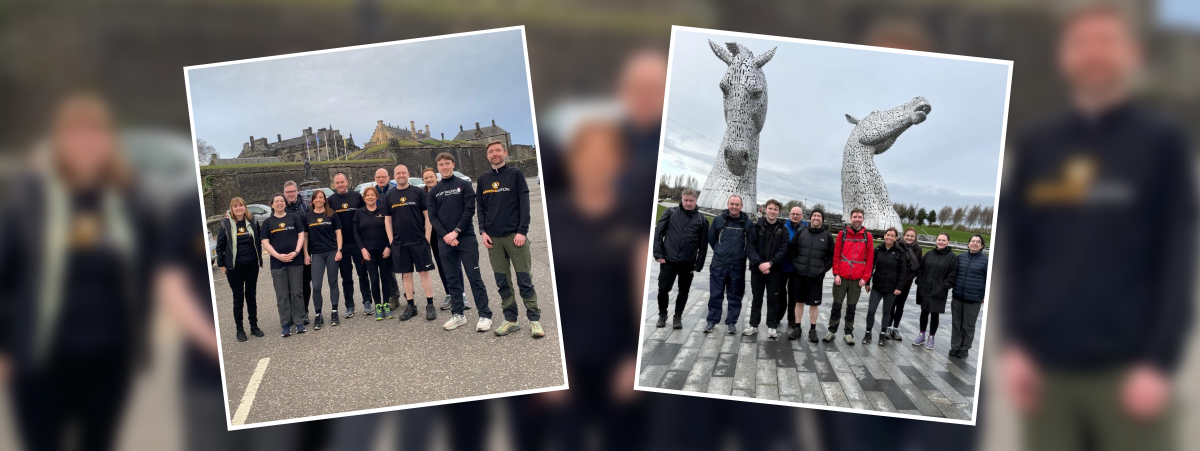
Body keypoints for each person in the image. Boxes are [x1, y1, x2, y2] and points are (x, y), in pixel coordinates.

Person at [1003, 7, 1195, 451]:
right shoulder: (1038, 144)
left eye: (1107, 42)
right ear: (1064, 57)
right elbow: (1019, 254)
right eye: (1082, 43)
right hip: (1047, 377)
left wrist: (1158, 362)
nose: (1094, 55)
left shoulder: (1162, 144)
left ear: (1134, 54)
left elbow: (1177, 257)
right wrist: (1015, 347)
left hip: (1127, 376)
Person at [0, 93, 153, 451]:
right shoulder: (29, 197)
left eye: (95, 132)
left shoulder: (128, 202)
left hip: (108, 361)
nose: (85, 142)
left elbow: (142, 275)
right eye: (75, 133)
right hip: (39, 361)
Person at [478, 141, 542, 338]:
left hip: (515, 236)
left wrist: (522, 231)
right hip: (494, 240)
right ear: (487, 156)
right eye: (491, 152)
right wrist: (483, 231)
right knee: (502, 281)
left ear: (505, 153)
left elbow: (524, 206)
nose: (494, 154)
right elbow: (480, 208)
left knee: (524, 279)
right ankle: (511, 320)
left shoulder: (515, 175)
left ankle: (534, 320)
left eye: (498, 150)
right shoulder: (483, 179)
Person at [428, 152, 494, 332]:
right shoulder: (434, 191)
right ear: (438, 168)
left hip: (465, 238)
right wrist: (446, 236)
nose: (444, 167)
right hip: (445, 241)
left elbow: (469, 210)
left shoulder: (464, 185)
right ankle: (458, 315)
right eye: (441, 164)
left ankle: (485, 315)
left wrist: (456, 232)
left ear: (453, 165)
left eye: (447, 163)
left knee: (474, 277)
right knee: (452, 279)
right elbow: (432, 217)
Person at [383, 164, 438, 322]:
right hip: (400, 242)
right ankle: (411, 306)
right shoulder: (390, 196)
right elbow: (387, 220)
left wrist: (427, 237)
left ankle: (429, 304)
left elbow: (427, 216)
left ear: (408, 174)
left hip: (419, 240)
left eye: (403, 173)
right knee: (406, 275)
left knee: (424, 273)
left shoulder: (418, 192)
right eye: (398, 173)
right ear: (394, 176)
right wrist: (392, 240)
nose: (401, 175)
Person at [651, 188, 707, 329]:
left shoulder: (701, 219)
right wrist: (658, 254)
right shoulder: (671, 212)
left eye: (691, 201)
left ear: (696, 200)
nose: (688, 203)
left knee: (684, 291)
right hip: (668, 260)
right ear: (682, 199)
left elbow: (703, 244)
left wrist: (699, 264)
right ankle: (662, 314)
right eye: (686, 200)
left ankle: (678, 317)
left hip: (687, 263)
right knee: (663, 289)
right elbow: (659, 232)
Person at [704, 195, 759, 335]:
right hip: (719, 264)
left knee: (735, 295)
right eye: (731, 204)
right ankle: (712, 320)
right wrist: (720, 251)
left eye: (737, 204)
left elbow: (751, 244)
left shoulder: (747, 223)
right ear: (728, 204)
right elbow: (712, 239)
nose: (734, 207)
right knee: (716, 294)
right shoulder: (718, 220)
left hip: (737, 266)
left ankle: (731, 322)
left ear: (741, 206)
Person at [215, 197, 265, 341]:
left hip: (251, 265)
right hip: (234, 268)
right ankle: (240, 329)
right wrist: (221, 264)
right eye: (235, 206)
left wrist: (259, 260)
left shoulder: (253, 221)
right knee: (238, 298)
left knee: (251, 296)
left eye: (241, 205)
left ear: (245, 207)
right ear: (232, 209)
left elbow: (258, 242)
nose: (238, 208)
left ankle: (254, 326)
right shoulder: (226, 224)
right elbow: (220, 245)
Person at [824, 208, 873, 344]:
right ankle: (832, 330)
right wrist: (836, 273)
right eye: (855, 216)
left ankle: (848, 332)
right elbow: (836, 255)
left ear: (863, 219)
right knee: (836, 305)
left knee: (852, 307)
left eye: (859, 217)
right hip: (842, 276)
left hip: (857, 279)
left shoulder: (867, 237)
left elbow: (869, 260)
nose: (857, 219)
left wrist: (865, 277)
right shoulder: (842, 234)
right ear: (850, 218)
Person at [261, 193, 307, 336]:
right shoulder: (268, 222)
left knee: (297, 292)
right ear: (272, 205)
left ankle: (299, 322)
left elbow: (301, 235)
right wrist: (278, 256)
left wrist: (296, 252)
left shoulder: (294, 218)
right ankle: (286, 324)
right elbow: (265, 242)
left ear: (285, 204)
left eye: (282, 201)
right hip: (277, 263)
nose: (280, 203)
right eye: (277, 201)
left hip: (295, 260)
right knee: (282, 295)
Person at [784, 209, 833, 342]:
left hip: (816, 276)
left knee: (814, 304)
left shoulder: (827, 236)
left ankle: (812, 330)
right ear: (810, 218)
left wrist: (822, 269)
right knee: (798, 302)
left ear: (822, 219)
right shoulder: (801, 232)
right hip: (800, 274)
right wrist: (796, 265)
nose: (816, 218)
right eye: (814, 215)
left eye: (819, 216)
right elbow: (791, 251)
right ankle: (797, 327)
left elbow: (831, 256)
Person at [328, 172, 369, 319]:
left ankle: (367, 301)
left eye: (342, 182)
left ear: (347, 182)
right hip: (342, 245)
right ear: (334, 184)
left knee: (363, 274)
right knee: (346, 277)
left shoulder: (357, 197)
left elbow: (365, 214)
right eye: (337, 182)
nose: (340, 185)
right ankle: (349, 305)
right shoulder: (331, 200)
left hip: (358, 243)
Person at [746, 199, 788, 338]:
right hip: (757, 270)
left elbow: (783, 250)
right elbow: (750, 248)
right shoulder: (756, 227)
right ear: (765, 209)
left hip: (774, 271)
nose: (772, 211)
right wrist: (760, 264)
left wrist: (770, 263)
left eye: (775, 209)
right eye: (770, 208)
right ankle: (753, 325)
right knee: (757, 298)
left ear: (778, 212)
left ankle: (771, 326)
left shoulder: (783, 230)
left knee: (773, 299)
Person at [302, 189, 343, 330]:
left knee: (333, 282)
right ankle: (318, 315)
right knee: (317, 286)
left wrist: (339, 250)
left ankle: (334, 311)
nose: (319, 200)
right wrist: (306, 254)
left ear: (324, 199)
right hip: (317, 254)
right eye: (316, 198)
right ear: (312, 201)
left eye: (321, 197)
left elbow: (338, 233)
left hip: (332, 252)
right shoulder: (307, 216)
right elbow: (305, 237)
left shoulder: (332, 214)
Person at [354, 186, 394, 320]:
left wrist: (389, 247)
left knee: (385, 278)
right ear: (364, 198)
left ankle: (386, 304)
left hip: (384, 251)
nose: (370, 197)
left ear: (377, 197)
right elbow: (356, 233)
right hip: (368, 252)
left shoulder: (383, 210)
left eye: (373, 195)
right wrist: (362, 249)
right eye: (367, 195)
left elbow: (391, 229)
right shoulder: (359, 213)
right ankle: (378, 305)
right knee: (374, 279)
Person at [862, 227, 907, 346]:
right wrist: (867, 282)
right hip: (877, 286)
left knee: (887, 312)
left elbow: (903, 271)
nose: (889, 237)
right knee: (871, 310)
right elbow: (871, 266)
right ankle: (868, 332)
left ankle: (882, 334)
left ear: (895, 238)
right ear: (884, 236)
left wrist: (899, 287)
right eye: (888, 235)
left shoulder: (900, 252)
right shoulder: (878, 250)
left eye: (892, 236)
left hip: (891, 288)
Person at [912, 233, 957, 350]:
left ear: (948, 242)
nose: (941, 242)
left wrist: (943, 287)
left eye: (944, 240)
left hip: (939, 291)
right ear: (936, 241)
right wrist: (920, 283)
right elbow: (921, 270)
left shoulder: (952, 257)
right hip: (925, 288)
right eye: (939, 240)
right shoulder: (929, 254)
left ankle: (931, 337)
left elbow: (952, 275)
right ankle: (921, 334)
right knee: (924, 312)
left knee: (934, 314)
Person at [423, 167, 455, 310]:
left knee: (454, 264)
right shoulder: (422, 195)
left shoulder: (443, 190)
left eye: (431, 177)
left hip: (447, 233)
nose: (429, 180)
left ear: (436, 178)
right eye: (426, 178)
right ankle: (449, 293)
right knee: (441, 265)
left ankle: (460, 293)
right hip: (433, 236)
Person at [950, 234, 987, 358]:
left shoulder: (986, 260)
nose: (974, 243)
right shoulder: (960, 257)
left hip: (973, 299)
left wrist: (985, 295)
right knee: (956, 323)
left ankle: (964, 348)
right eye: (972, 241)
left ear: (982, 246)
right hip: (957, 297)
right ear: (968, 243)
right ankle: (955, 346)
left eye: (978, 242)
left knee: (968, 325)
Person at [282, 180, 312, 325]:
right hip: (285, 252)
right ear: (284, 193)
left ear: (297, 191)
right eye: (288, 192)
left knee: (304, 283)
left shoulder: (305, 206)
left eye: (293, 191)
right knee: (288, 285)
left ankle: (304, 311)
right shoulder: (280, 206)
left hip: (304, 250)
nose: (291, 194)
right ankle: (293, 314)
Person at [886, 227, 922, 341]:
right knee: (891, 305)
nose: (909, 238)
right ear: (903, 235)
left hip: (906, 282)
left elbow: (919, 265)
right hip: (894, 281)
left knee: (900, 306)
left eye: (912, 236)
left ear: (915, 238)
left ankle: (895, 328)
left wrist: (911, 277)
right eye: (907, 235)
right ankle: (888, 326)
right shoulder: (897, 246)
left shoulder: (918, 249)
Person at [774, 206, 806, 330]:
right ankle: (777, 316)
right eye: (793, 214)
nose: (795, 216)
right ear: (789, 215)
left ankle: (792, 318)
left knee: (794, 295)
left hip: (796, 268)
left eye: (798, 214)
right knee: (780, 293)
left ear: (802, 216)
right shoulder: (783, 227)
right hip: (782, 267)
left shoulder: (805, 230)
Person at [372, 167, 399, 311]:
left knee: (403, 265)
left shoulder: (395, 190)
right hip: (381, 234)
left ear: (389, 177)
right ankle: (394, 296)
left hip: (398, 231)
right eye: (378, 177)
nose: (381, 179)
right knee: (388, 268)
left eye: (383, 177)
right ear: (375, 178)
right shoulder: (372, 193)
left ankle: (409, 293)